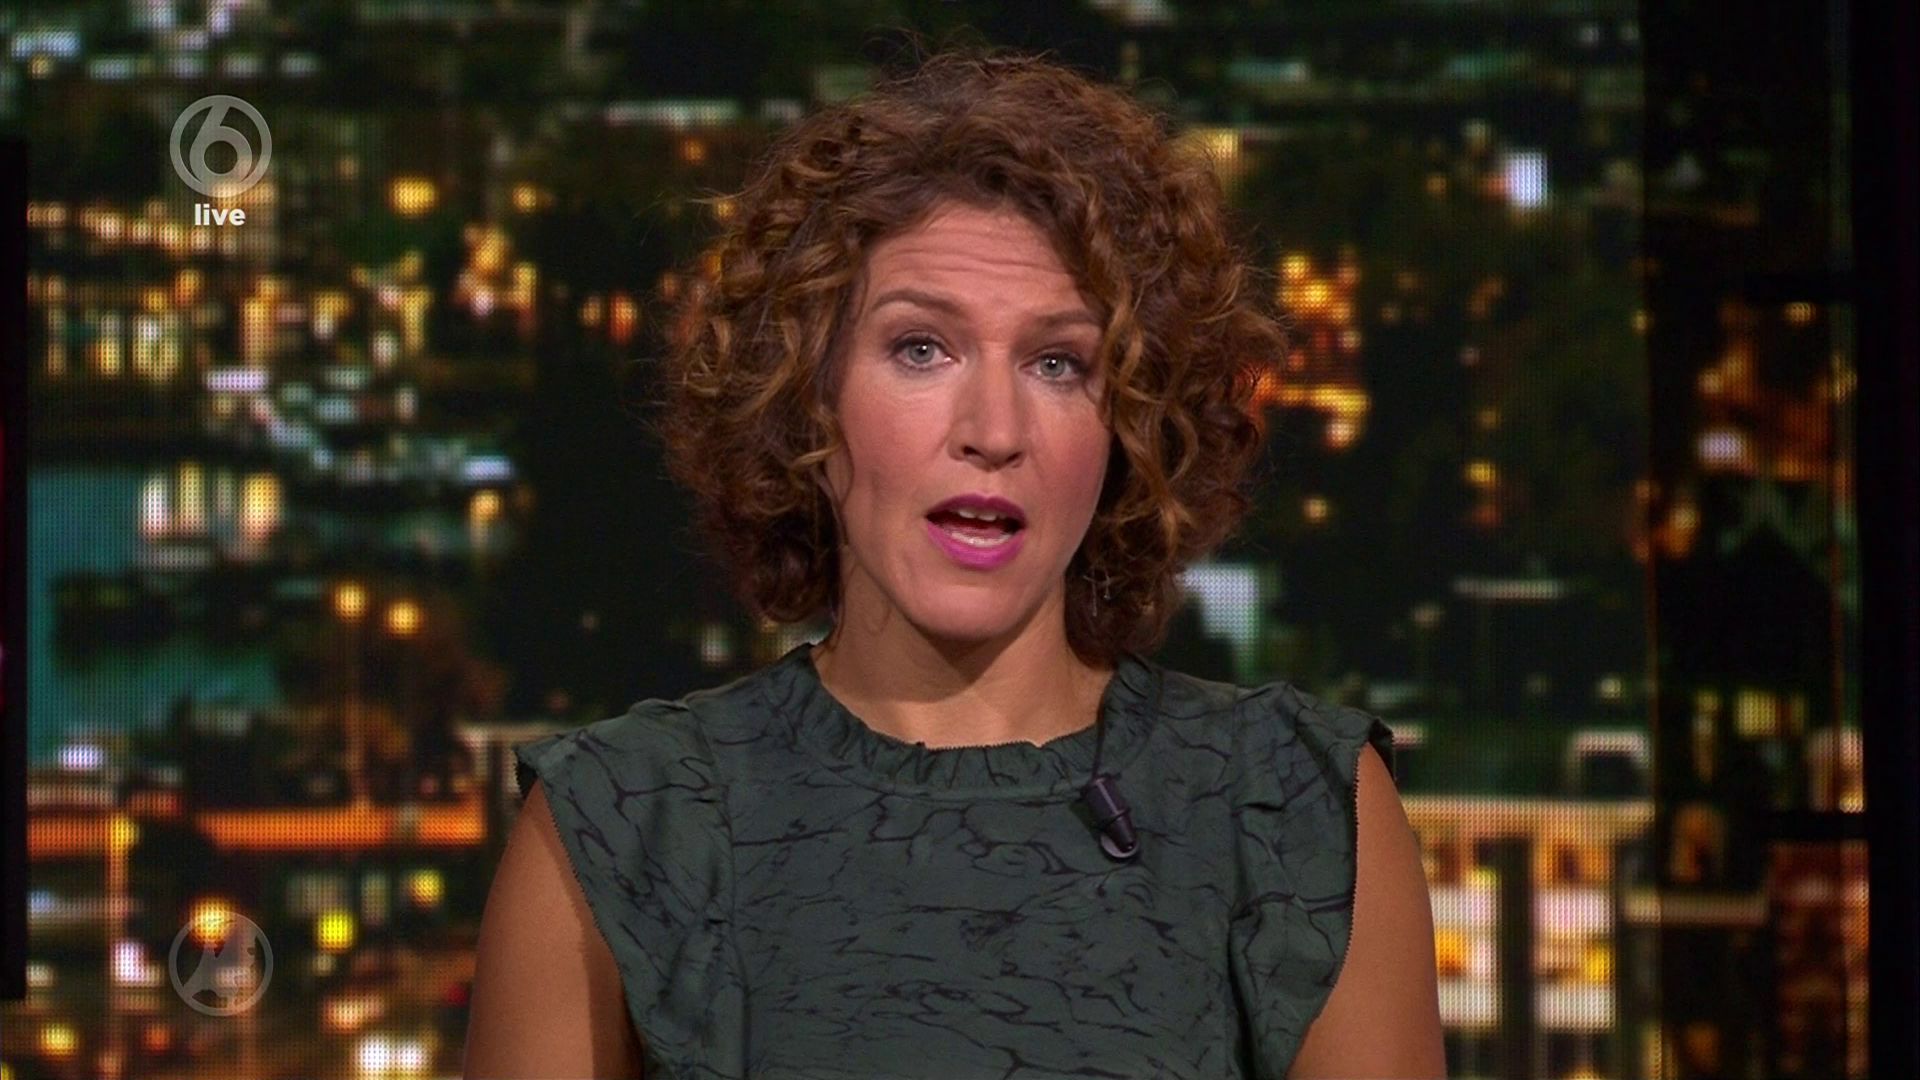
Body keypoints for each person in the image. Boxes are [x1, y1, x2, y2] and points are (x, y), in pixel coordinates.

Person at [465, 46, 1444, 1080]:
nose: (993, 430)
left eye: (1058, 363)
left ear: (1132, 425)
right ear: (806, 395)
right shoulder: (623, 825)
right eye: (921, 349)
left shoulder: (1295, 813)